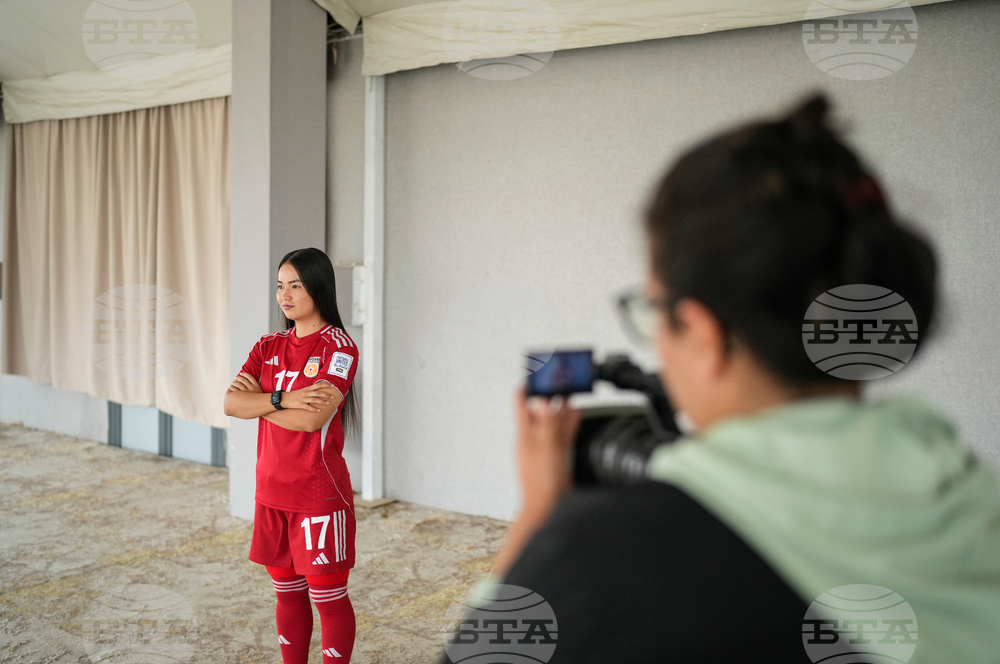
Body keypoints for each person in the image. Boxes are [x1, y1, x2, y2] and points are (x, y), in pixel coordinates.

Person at [442, 92, 1000, 662]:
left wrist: (539, 516)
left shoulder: (609, 559)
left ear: (704, 334)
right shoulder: (973, 500)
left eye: (654, 310)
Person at [224, 247, 361, 664]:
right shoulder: (267, 346)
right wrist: (286, 398)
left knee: (328, 598)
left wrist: (262, 402)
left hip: (317, 495)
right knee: (286, 593)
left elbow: (311, 421)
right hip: (271, 492)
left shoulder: (339, 347)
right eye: (280, 286)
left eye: (295, 286)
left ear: (318, 287)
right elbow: (231, 404)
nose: (284, 295)